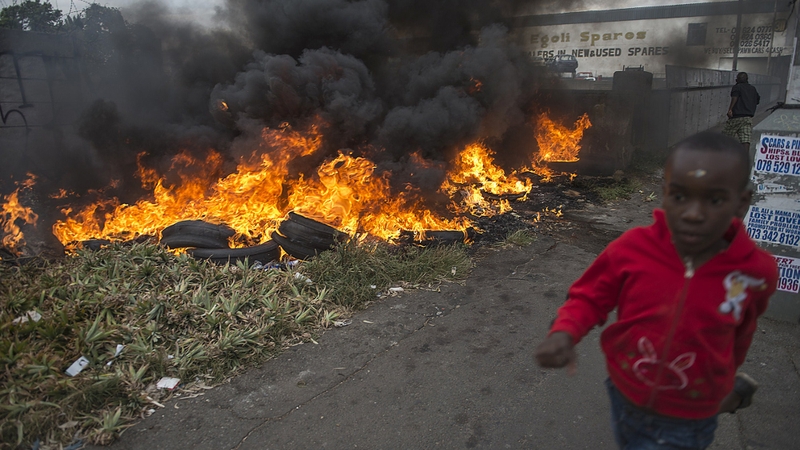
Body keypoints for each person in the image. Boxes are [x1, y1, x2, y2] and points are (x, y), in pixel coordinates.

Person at [535, 131, 778, 449]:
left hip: (689, 416)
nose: (692, 213)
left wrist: (723, 376)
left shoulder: (755, 272)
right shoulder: (633, 248)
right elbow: (590, 295)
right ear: (663, 194)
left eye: (715, 200)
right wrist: (564, 332)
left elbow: (743, 330)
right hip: (623, 390)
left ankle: (726, 397)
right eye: (679, 196)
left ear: (741, 202)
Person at [722, 72, 760, 151]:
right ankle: (745, 158)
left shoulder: (737, 87)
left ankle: (722, 155)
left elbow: (734, 98)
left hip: (736, 117)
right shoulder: (753, 89)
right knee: (745, 139)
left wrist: (730, 109)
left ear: (737, 79)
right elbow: (757, 100)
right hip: (747, 118)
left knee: (725, 137)